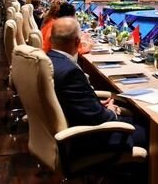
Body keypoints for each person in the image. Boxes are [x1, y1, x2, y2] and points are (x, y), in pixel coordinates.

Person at [47, 18, 148, 155]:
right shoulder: (70, 72)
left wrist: (96, 104)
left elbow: (72, 100)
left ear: (51, 39)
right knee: (150, 130)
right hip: (90, 138)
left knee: (136, 118)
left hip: (73, 124)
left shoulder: (50, 60)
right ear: (77, 42)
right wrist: (111, 111)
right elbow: (97, 119)